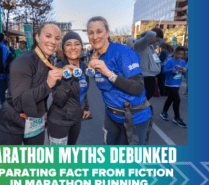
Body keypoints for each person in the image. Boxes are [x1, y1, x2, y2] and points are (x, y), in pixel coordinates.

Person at [0, 22, 63, 145]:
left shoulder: (47, 61)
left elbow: (42, 93)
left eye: (57, 38)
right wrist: (48, 85)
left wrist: (44, 111)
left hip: (36, 122)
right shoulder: (23, 61)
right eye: (48, 36)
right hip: (12, 123)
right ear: (37, 37)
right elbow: (19, 102)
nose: (53, 41)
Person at [87, 16, 152, 145]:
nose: (95, 36)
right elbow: (89, 75)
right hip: (111, 116)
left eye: (99, 31)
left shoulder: (123, 52)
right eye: (91, 33)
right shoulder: (96, 55)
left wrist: (108, 73)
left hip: (134, 118)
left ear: (107, 33)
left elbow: (138, 89)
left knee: (127, 162)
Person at [47, 32, 90, 145]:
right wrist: (67, 78)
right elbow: (59, 100)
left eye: (76, 44)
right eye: (68, 44)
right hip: (59, 121)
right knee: (58, 160)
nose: (73, 47)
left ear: (81, 46)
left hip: (76, 119)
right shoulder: (58, 69)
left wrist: (85, 107)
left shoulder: (83, 67)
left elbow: (84, 89)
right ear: (64, 49)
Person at [160, 46, 187, 128]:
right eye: (178, 54)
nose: (180, 56)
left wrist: (184, 70)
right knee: (177, 99)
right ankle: (177, 117)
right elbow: (164, 71)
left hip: (178, 83)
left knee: (171, 98)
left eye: (181, 54)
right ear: (175, 53)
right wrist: (172, 69)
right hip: (170, 83)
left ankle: (164, 112)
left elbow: (184, 73)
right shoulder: (170, 61)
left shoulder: (182, 61)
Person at [133, 28, 164, 100]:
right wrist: (144, 33)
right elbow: (151, 34)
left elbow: (156, 60)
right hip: (143, 75)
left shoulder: (151, 47)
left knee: (149, 94)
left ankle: (141, 108)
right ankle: (139, 109)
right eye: (156, 39)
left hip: (151, 75)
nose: (157, 42)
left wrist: (157, 69)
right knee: (144, 95)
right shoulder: (140, 45)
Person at [0, 33, 13, 105]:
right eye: (4, 36)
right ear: (2, 38)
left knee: (2, 87)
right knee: (9, 87)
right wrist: (4, 70)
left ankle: (3, 102)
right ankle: (8, 103)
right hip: (6, 71)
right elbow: (3, 60)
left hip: (2, 70)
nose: (6, 37)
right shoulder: (3, 47)